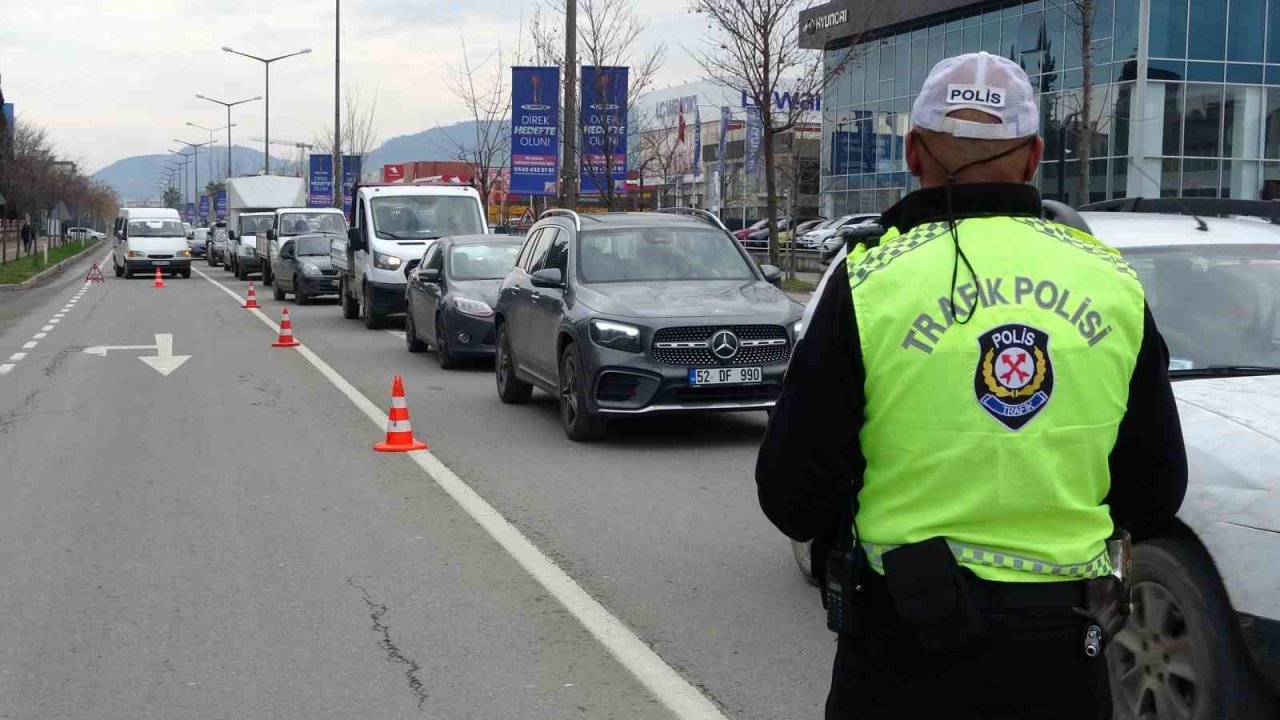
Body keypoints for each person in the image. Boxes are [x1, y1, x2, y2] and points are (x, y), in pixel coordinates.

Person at [756, 52, 1187, 720]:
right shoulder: (1112, 282)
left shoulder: (868, 282)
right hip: (1063, 659)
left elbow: (792, 495)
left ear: (912, 153)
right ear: (1036, 156)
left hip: (901, 652)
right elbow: (1156, 491)